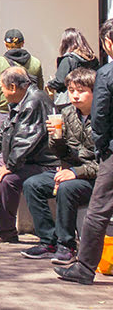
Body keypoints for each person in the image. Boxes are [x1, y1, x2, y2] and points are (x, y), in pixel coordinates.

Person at [21, 67, 97, 264]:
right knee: (33, 184)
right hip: (74, 170)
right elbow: (64, 154)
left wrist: (75, 172)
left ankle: (67, 245)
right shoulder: (69, 113)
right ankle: (48, 241)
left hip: (98, 177)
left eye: (81, 91)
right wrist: (56, 138)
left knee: (67, 188)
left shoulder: (103, 116)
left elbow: (105, 162)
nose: (75, 95)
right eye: (71, 90)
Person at [58, 18, 113, 284]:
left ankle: (85, 267)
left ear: (108, 43)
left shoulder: (107, 74)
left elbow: (100, 117)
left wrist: (102, 147)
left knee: (99, 209)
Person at [0, 65, 55, 242]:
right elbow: (2, 133)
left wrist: (10, 166)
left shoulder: (34, 102)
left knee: (7, 179)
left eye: (2, 88)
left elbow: (27, 139)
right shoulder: (20, 102)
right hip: (26, 160)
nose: (2, 93)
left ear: (13, 87)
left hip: (42, 163)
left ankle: (6, 230)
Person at [0, 28, 45, 124]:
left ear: (5, 44)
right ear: (23, 43)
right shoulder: (35, 63)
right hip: (30, 108)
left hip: (6, 109)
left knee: (4, 137)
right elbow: (39, 87)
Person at [46, 28, 99, 109]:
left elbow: (60, 80)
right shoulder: (92, 59)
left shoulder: (68, 59)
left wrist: (49, 84)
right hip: (91, 98)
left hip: (69, 101)